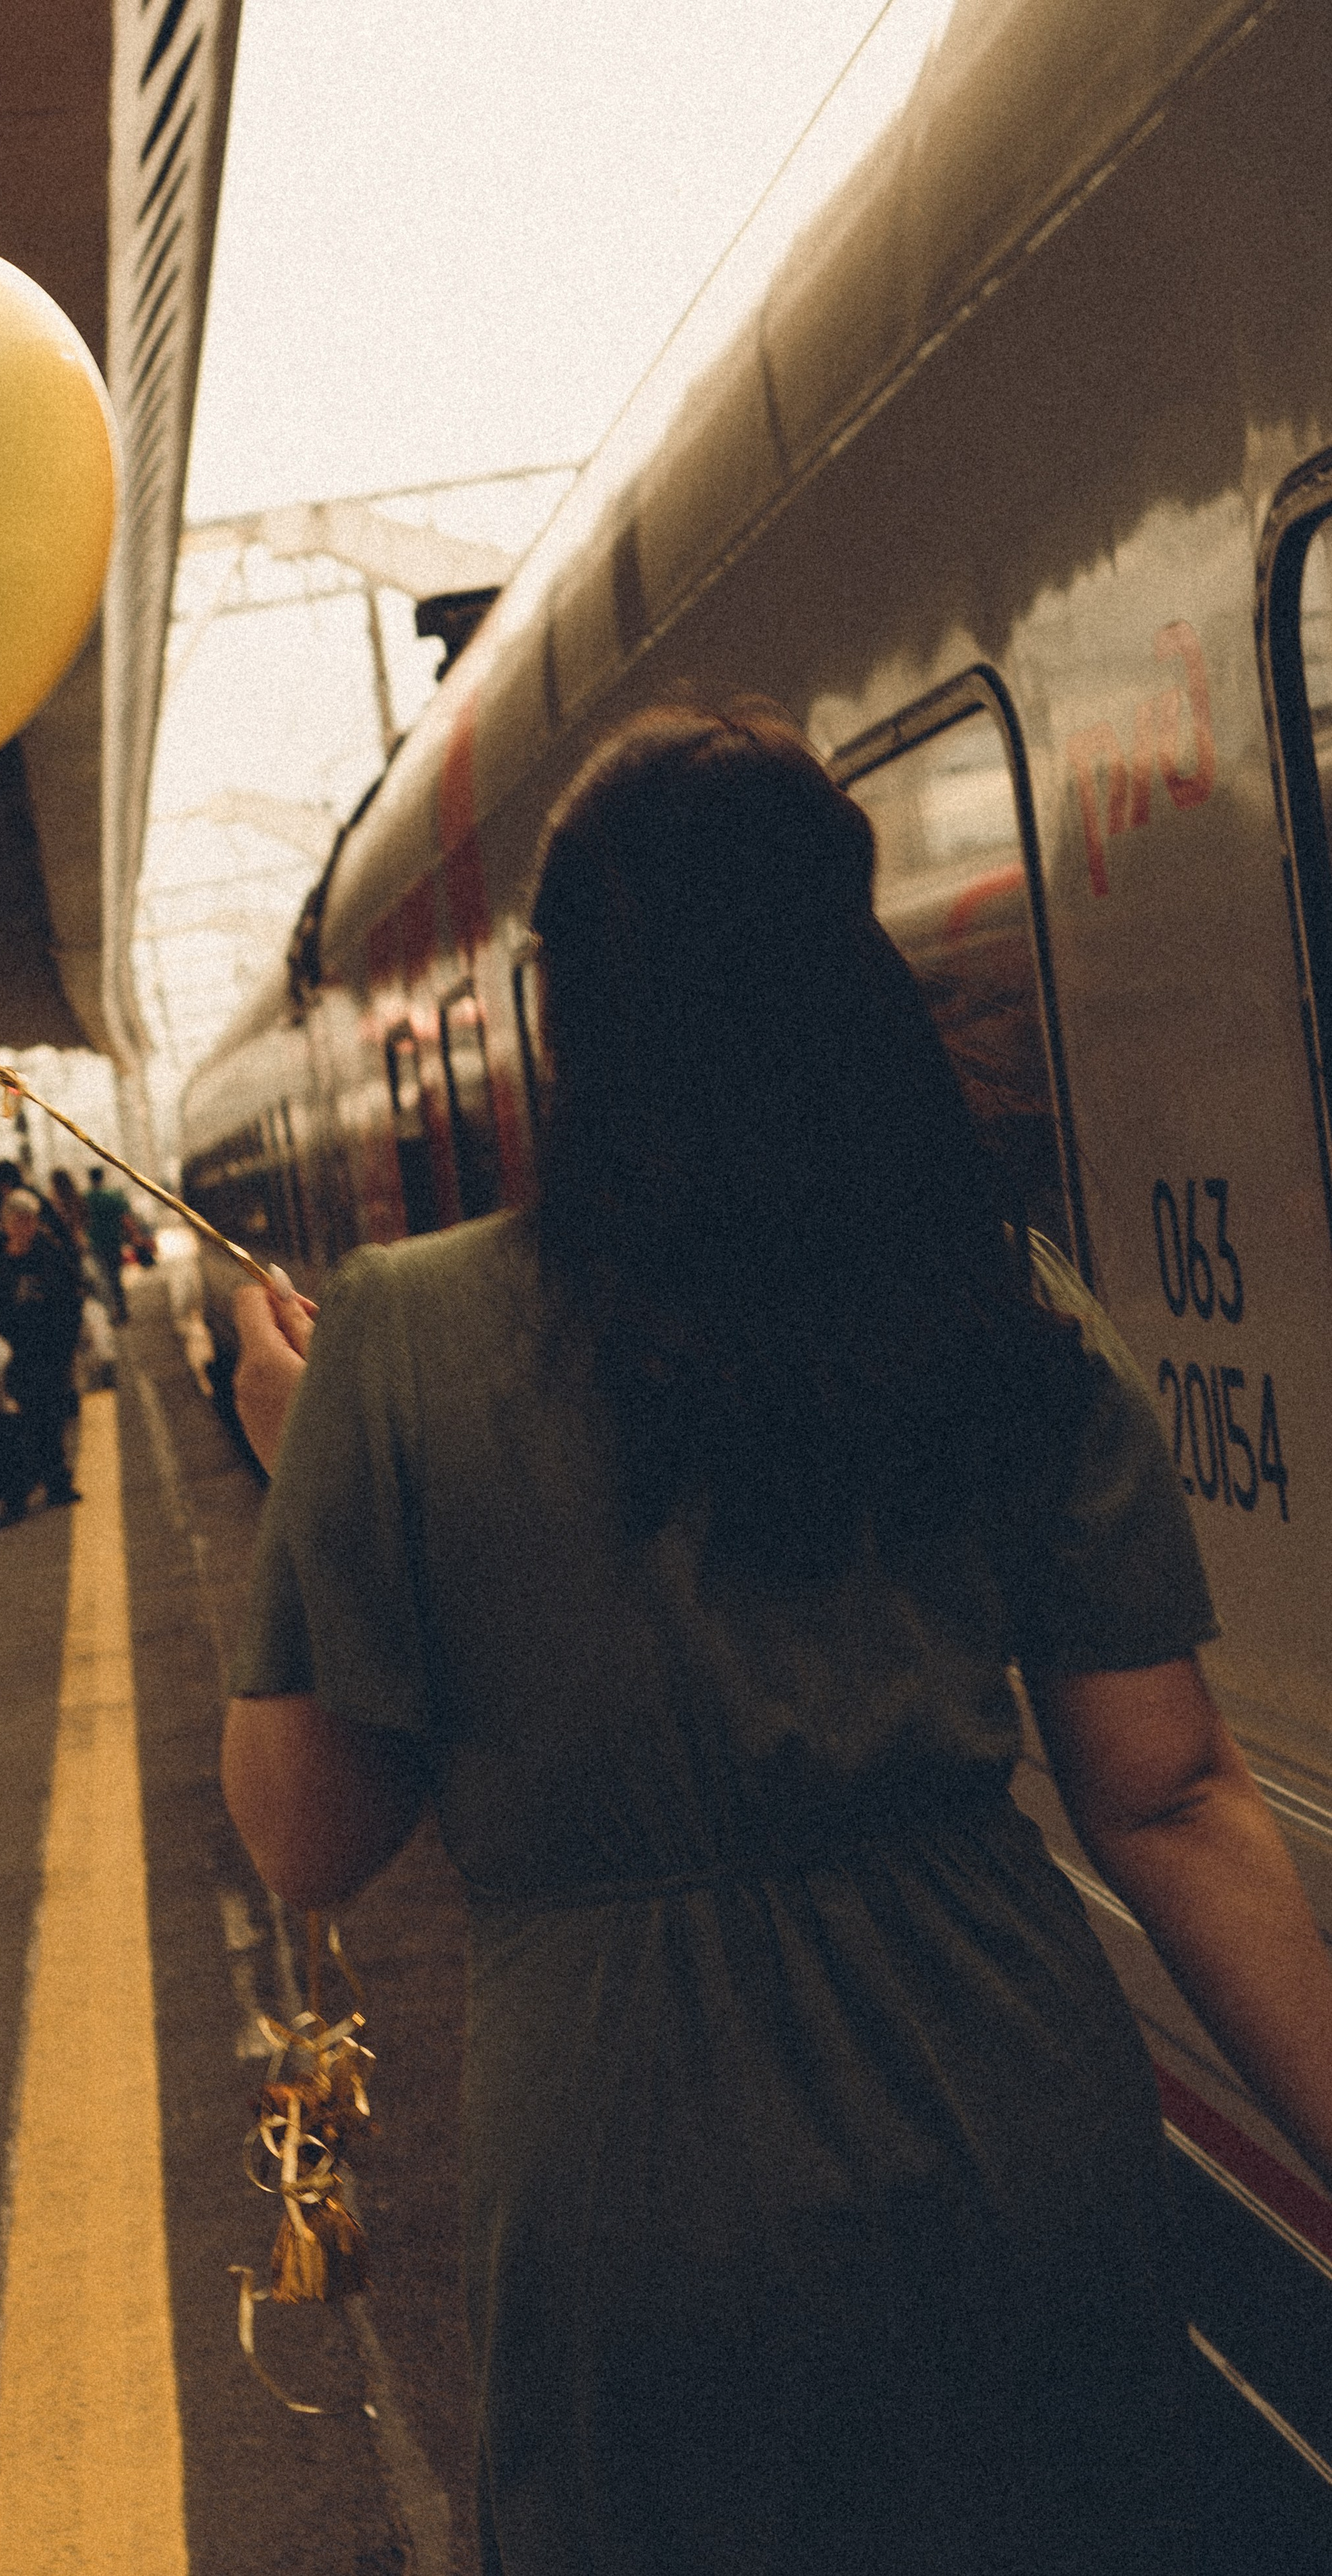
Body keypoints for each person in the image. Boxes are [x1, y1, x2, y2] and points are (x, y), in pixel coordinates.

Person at [221, 706, 1332, 2576]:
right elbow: (1174, 1794)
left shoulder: (397, 1350)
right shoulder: (999, 1301)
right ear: (850, 965)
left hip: (629, 2196)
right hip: (1016, 2123)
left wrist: (316, 1474)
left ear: (563, 1005)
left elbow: (309, 1836)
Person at [0, 1186, 84, 1512]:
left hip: (48, 1349)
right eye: (19, 1221)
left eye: (30, 1221)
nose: (26, 1228)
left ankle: (57, 1484)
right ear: (6, 1222)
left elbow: (70, 1295)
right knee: (14, 1424)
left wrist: (67, 1341)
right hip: (7, 1353)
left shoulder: (49, 1251)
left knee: (50, 1419)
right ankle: (17, 1491)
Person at [82, 1166, 131, 1324]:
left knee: (103, 1280)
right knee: (116, 1277)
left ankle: (111, 1314)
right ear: (102, 1178)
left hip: (95, 1244)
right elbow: (125, 1218)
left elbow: (81, 1220)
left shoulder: (85, 1198)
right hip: (113, 1242)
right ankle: (122, 1311)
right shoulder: (113, 1196)